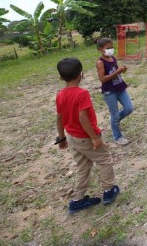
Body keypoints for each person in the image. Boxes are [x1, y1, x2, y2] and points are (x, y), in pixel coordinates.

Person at [55, 57, 120, 214]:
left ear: (61, 77)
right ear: (81, 75)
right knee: (105, 160)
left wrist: (61, 137)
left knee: (82, 166)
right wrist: (95, 138)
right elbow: (83, 117)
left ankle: (77, 200)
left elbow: (59, 117)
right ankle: (108, 190)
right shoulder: (81, 93)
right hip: (85, 137)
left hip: (71, 137)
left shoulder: (60, 94)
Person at [96, 38, 134, 146]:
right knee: (115, 114)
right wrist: (117, 72)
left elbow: (115, 73)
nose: (111, 50)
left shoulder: (113, 58)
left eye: (112, 47)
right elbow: (102, 79)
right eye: (108, 48)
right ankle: (117, 137)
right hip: (109, 91)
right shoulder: (100, 62)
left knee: (129, 108)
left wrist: (122, 70)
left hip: (119, 87)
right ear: (100, 49)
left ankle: (114, 120)